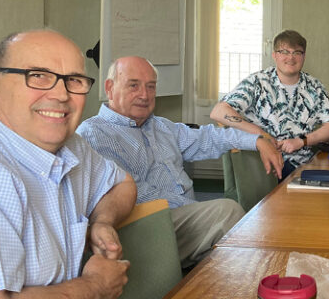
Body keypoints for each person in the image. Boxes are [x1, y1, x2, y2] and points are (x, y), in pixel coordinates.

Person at [0, 30, 137, 299]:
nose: (61, 95)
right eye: (37, 76)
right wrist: (96, 286)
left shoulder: (71, 146)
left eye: (74, 80)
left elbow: (122, 183)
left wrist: (102, 221)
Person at [77, 56, 282, 268]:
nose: (144, 95)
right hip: (145, 226)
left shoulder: (161, 126)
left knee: (238, 235)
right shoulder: (95, 133)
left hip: (180, 222)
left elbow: (211, 137)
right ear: (110, 88)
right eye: (133, 85)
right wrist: (195, 209)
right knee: (227, 213)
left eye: (151, 86)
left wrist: (257, 140)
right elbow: (132, 193)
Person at [210, 30, 329, 179]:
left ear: (304, 56)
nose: (291, 58)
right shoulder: (257, 82)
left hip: (302, 167)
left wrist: (301, 141)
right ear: (274, 55)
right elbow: (219, 112)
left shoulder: (314, 87)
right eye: (284, 51)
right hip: (264, 165)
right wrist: (263, 134)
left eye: (297, 52)